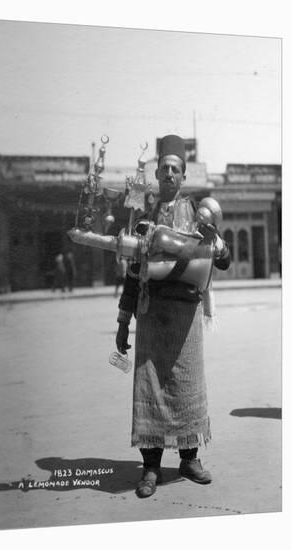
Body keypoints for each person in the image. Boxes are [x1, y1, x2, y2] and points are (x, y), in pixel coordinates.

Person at [116, 135, 231, 498]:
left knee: (186, 387)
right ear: (156, 174)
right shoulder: (143, 216)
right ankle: (150, 468)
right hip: (152, 315)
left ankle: (189, 459)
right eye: (163, 168)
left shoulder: (199, 211)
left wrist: (219, 243)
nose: (168, 173)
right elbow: (134, 273)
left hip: (186, 319)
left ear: (183, 177)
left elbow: (222, 260)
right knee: (150, 385)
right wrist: (123, 322)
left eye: (175, 169)